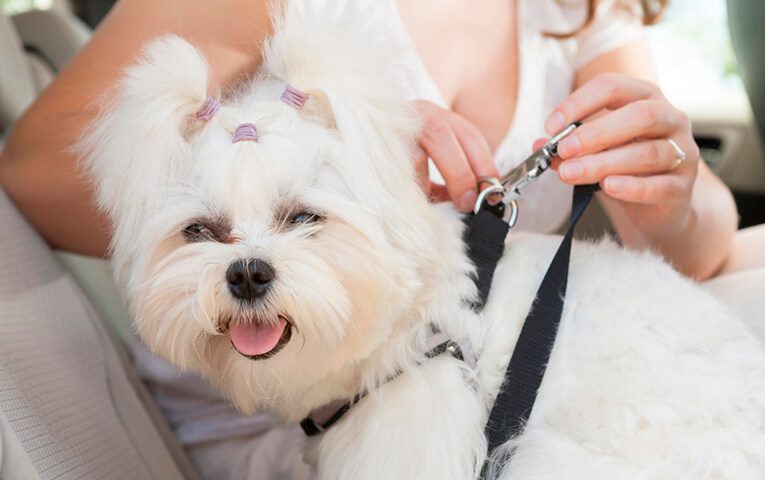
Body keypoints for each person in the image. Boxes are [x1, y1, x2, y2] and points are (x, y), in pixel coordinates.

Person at [0, 0, 756, 478]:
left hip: (486, 377)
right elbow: (35, 173)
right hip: (286, 421)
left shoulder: (583, 13)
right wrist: (346, 149)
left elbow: (696, 249)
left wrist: (669, 193)